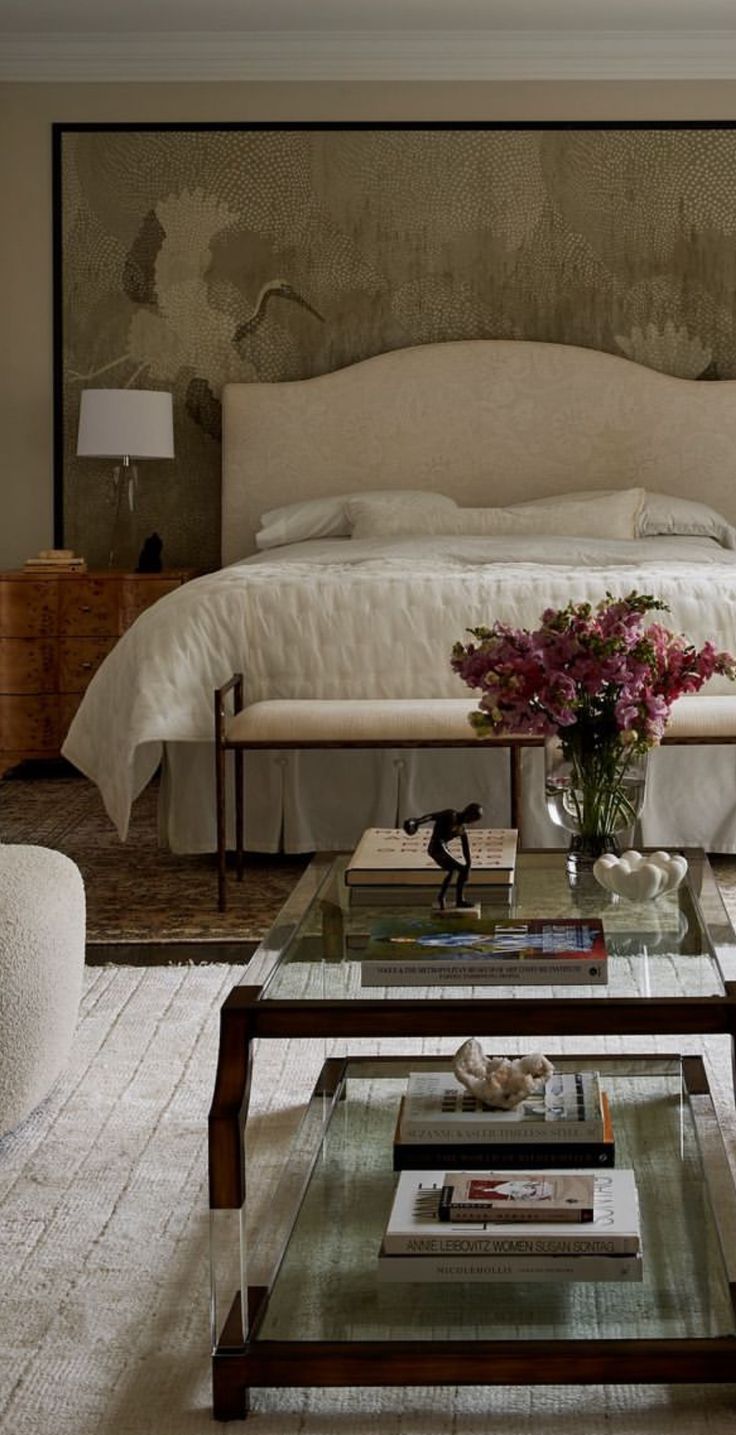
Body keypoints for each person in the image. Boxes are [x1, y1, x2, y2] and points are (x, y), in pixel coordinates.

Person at [402, 802, 483, 910]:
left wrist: (469, 863)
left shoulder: (461, 828)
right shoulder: (451, 815)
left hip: (443, 849)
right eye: (473, 817)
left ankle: (450, 898)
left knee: (457, 870)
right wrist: (417, 822)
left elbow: (465, 847)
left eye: (474, 820)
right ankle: (449, 898)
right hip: (436, 848)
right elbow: (432, 816)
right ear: (468, 812)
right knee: (457, 869)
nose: (471, 821)